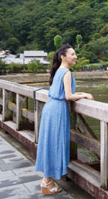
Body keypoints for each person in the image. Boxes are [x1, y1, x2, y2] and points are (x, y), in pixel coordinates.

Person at [35, 44, 94, 195]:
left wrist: (81, 93)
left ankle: (47, 180)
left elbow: (65, 92)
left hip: (51, 108)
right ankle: (47, 182)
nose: (75, 57)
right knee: (55, 143)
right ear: (63, 57)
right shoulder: (66, 72)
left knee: (49, 143)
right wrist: (84, 96)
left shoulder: (58, 71)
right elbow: (68, 96)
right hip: (58, 111)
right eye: (72, 54)